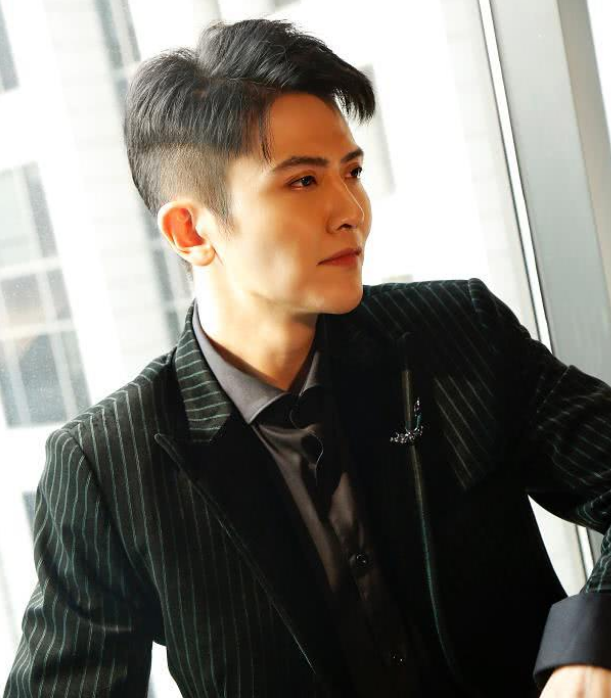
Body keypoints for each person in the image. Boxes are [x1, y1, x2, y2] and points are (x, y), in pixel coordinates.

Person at [4, 17, 611, 698]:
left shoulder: (455, 333)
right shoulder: (107, 467)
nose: (351, 209)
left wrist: (592, 644)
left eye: (351, 172)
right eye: (301, 182)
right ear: (190, 230)